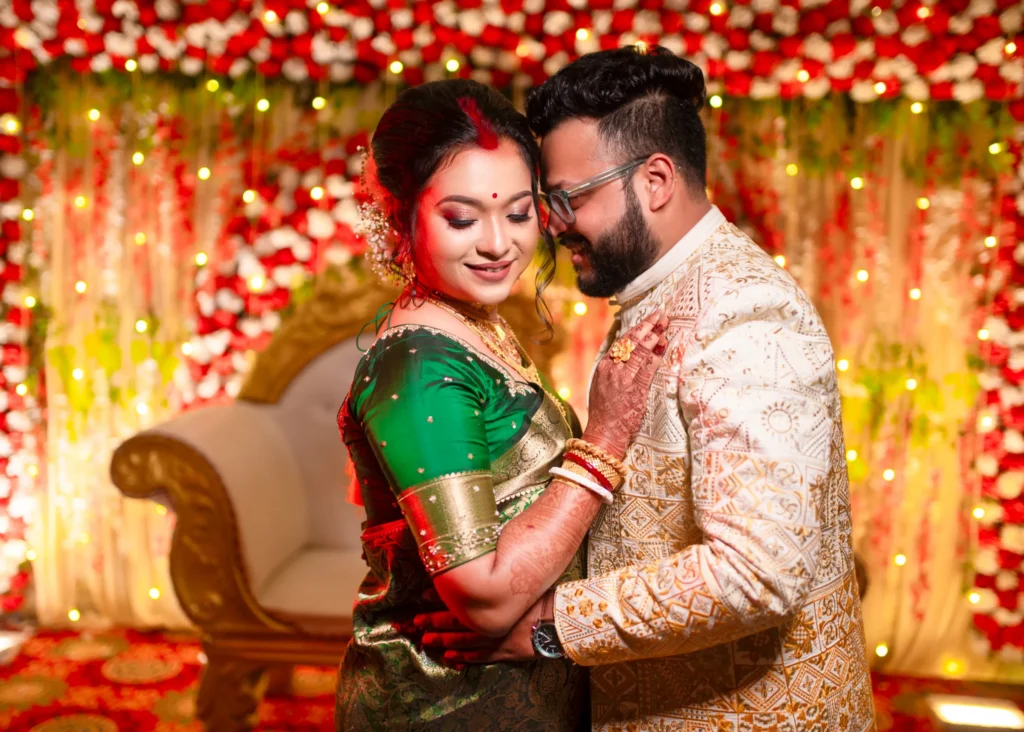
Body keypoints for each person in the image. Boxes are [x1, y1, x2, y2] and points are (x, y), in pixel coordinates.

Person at [419, 47, 876, 731]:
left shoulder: (747, 316)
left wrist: (549, 629)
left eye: (569, 197)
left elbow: (757, 572)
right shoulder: (660, 289)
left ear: (655, 180)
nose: (551, 222)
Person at [334, 78, 668, 730]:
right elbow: (484, 600)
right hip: (447, 704)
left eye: (518, 213)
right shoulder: (421, 364)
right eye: (461, 219)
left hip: (517, 689)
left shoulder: (471, 321)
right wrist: (604, 441)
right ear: (399, 213)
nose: (498, 244)